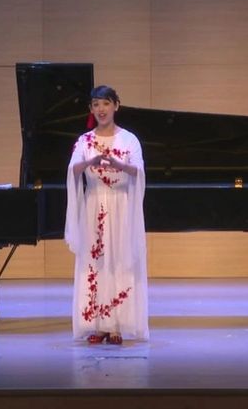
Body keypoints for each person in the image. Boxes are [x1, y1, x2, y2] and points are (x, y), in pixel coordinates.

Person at [65, 85, 149, 344]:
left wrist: (119, 164)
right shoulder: (84, 140)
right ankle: (97, 324)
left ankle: (117, 325)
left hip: (120, 206)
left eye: (106, 103)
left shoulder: (129, 139)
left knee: (119, 260)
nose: (101, 109)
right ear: (91, 109)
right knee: (95, 262)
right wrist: (89, 162)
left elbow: (139, 171)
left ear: (116, 105)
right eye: (96, 105)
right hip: (94, 206)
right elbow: (73, 170)